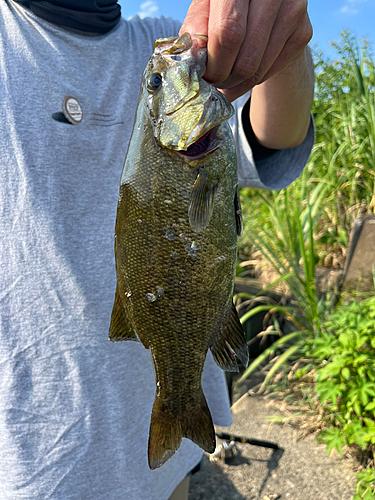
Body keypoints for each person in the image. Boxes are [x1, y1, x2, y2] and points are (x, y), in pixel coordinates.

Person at [0, 0, 314, 499]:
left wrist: (284, 44)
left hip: (168, 467)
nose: (162, 78)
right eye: (154, 86)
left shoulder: (180, 43)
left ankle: (179, 404)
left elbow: (277, 139)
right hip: (39, 453)